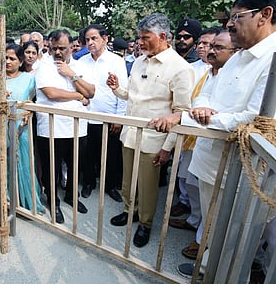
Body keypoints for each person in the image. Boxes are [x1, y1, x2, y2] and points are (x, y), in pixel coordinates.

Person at [149, 0, 276, 278]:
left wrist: (202, 119)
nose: (231, 25)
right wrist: (200, 111)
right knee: (212, 225)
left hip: (241, 171)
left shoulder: (271, 59)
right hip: (210, 162)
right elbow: (205, 93)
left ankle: (218, 273)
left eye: (237, 17)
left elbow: (255, 120)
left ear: (264, 16)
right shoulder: (240, 55)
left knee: (236, 237)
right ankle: (207, 269)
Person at [107, 13, 194, 248]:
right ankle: (129, 210)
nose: (140, 42)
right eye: (139, 37)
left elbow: (181, 113)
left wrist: (167, 148)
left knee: (147, 186)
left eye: (146, 38)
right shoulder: (139, 61)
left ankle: (145, 223)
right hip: (130, 134)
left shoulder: (180, 69)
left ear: (163, 37)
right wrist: (117, 90)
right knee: (128, 181)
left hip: (154, 141)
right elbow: (134, 96)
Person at [169, 30, 237, 261]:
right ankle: (197, 227)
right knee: (191, 184)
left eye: (217, 47)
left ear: (235, 52)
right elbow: (199, 101)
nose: (209, 50)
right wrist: (198, 112)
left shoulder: (233, 74)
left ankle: (205, 248)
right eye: (208, 46)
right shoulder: (209, 72)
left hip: (223, 151)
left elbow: (243, 117)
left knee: (223, 213)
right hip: (199, 143)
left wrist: (189, 117)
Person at [35, 29, 95, 224]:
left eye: (62, 48)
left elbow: (91, 92)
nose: (58, 52)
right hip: (52, 128)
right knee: (51, 168)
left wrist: (72, 75)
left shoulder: (78, 65)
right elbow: (51, 93)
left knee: (75, 165)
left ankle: (71, 196)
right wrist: (78, 96)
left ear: (72, 46)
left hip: (77, 127)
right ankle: (54, 202)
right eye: (54, 48)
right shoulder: (44, 66)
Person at [79, 24, 127, 203]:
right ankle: (89, 183)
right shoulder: (82, 61)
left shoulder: (116, 61)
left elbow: (123, 90)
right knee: (88, 154)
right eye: (87, 39)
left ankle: (110, 186)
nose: (90, 42)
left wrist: (119, 118)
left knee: (111, 154)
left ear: (105, 39)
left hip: (109, 116)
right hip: (86, 115)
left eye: (94, 38)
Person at [0, 43, 45, 213]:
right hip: (2, 127)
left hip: (22, 128)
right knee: (6, 162)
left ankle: (28, 202)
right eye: (5, 58)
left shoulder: (29, 79)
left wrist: (28, 112)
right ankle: (10, 200)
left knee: (24, 162)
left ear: (21, 61)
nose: (8, 62)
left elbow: (34, 101)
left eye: (12, 58)